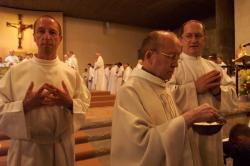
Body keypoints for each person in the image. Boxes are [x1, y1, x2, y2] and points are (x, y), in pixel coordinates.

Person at [111, 30, 224, 166]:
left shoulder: (161, 85)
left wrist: (189, 121)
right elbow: (139, 148)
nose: (176, 64)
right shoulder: (130, 91)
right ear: (149, 55)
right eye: (172, 57)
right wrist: (189, 118)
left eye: (178, 58)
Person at [0, 15, 90, 166]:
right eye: (41, 31)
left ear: (60, 38)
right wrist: (25, 106)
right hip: (27, 150)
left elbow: (85, 104)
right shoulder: (15, 72)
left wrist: (69, 103)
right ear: (34, 37)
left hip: (61, 148)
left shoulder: (71, 73)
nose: (46, 36)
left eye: (52, 32)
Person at [167, 20, 237, 166]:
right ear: (181, 39)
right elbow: (164, 96)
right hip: (186, 133)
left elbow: (232, 96)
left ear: (204, 39)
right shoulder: (173, 65)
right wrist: (195, 88)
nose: (194, 40)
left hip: (212, 134)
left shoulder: (213, 66)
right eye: (189, 36)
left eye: (198, 36)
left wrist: (218, 92)